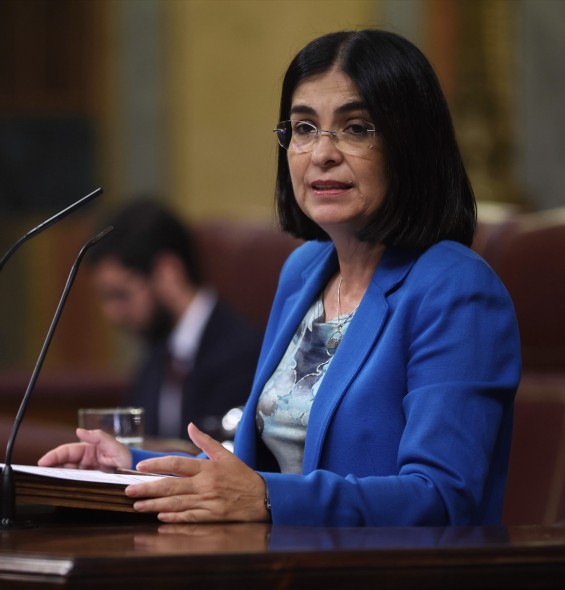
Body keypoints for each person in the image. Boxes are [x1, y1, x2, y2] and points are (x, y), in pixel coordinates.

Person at [40, 29, 521, 527]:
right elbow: (251, 469)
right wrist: (131, 469)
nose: (321, 153)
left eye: (356, 128)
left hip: (391, 589)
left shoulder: (457, 290)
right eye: (304, 127)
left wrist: (269, 500)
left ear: (412, 145)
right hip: (281, 575)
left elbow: (442, 498)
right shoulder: (303, 273)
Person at [86, 198, 262, 440]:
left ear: (169, 272)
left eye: (121, 294)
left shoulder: (243, 354)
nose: (112, 315)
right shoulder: (157, 358)